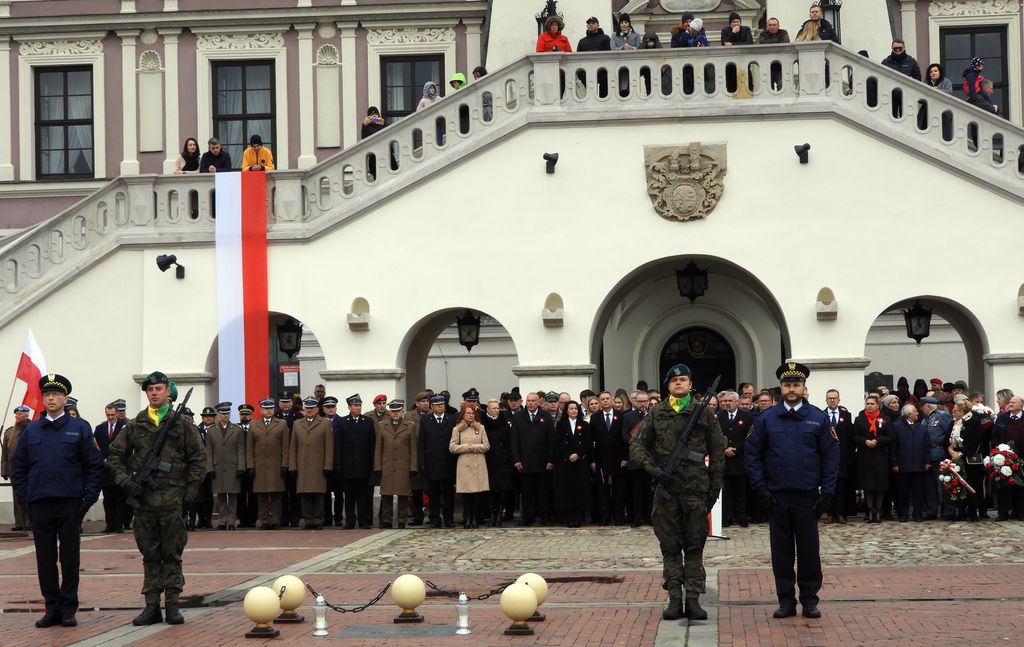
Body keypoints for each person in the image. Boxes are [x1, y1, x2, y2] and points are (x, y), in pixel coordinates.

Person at [107, 371, 206, 626]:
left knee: (172, 552)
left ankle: (172, 604)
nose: (154, 393)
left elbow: (198, 459)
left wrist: (190, 494)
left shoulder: (181, 423)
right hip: (144, 502)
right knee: (149, 554)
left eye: (159, 388)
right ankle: (152, 606)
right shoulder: (136, 424)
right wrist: (125, 481)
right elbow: (115, 455)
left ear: (167, 392)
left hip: (172, 500)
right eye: (150, 390)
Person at [630, 364, 725, 621]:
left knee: (695, 547)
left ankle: (693, 599)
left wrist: (714, 487)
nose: (679, 384)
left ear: (690, 384)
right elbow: (636, 444)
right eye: (674, 381)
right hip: (666, 492)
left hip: (696, 491)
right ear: (668, 386)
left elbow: (718, 451)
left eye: (684, 380)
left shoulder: (703, 413)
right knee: (670, 547)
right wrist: (654, 470)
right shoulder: (656, 412)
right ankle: (674, 598)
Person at [745, 362, 838, 620]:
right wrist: (760, 488)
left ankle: (809, 600)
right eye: (787, 385)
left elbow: (830, 457)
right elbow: (752, 455)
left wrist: (827, 492)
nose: (792, 389)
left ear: (804, 388)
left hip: (807, 496)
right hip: (777, 496)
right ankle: (785, 600)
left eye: (796, 385)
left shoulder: (818, 418)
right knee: (782, 552)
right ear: (781, 389)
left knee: (809, 552)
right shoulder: (766, 419)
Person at [11, 375, 102, 628]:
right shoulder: (32, 430)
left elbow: (94, 466)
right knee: (45, 557)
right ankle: (51, 607)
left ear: (65, 399)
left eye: (56, 395)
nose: (50, 399)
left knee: (70, 557)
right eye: (47, 395)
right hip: (40, 502)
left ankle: (69, 607)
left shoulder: (79, 428)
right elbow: (19, 467)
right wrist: (25, 497)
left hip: (70, 502)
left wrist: (88, 497)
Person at [288, 397, 334, 529]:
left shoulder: (325, 423)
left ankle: (318, 520)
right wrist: (292, 466)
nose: (309, 410)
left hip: (318, 465)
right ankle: (308, 520)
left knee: (318, 494)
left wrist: (327, 465)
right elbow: (293, 447)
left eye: (312, 408)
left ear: (317, 409)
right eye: (307, 408)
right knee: (304, 493)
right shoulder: (297, 424)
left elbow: (329, 447)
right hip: (302, 465)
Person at [510, 391, 554, 526]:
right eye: (528, 401)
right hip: (525, 462)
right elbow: (514, 440)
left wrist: (550, 460)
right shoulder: (518, 417)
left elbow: (551, 441)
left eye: (533, 401)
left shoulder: (546, 416)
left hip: (542, 462)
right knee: (527, 492)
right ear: (525, 402)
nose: (531, 403)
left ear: (538, 402)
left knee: (543, 492)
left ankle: (544, 516)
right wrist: (516, 459)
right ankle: (528, 516)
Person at [245, 398, 289, 530]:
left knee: (276, 495)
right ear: (261, 410)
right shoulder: (253, 425)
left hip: (276, 464)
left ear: (274, 409)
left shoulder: (281, 424)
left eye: (270, 408)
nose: (269, 411)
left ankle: (275, 520)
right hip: (260, 465)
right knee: (262, 495)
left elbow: (285, 447)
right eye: (266, 408)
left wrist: (285, 464)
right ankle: (264, 520)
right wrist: (250, 465)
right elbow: (249, 448)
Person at [373, 400, 418, 528]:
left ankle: (402, 520)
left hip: (403, 466)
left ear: (402, 412)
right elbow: (378, 449)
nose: (395, 413)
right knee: (386, 494)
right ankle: (387, 519)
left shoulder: (410, 426)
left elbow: (413, 449)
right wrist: (377, 467)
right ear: (390, 412)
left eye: (398, 411)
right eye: (393, 411)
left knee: (403, 494)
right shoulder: (382, 426)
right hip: (387, 465)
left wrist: (413, 467)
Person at [335, 394, 376, 529]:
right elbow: (338, 444)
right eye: (355, 405)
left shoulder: (368, 422)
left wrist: (372, 465)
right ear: (349, 407)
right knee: (350, 496)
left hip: (363, 465)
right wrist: (338, 463)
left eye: (359, 405)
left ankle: (363, 520)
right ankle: (350, 521)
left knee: (363, 496)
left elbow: (372, 445)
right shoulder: (342, 422)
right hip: (348, 466)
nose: (358, 408)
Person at [552, 401, 594, 528]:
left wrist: (578, 454)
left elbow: (588, 443)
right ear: (566, 411)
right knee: (567, 489)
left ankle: (579, 517)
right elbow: (557, 443)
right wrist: (568, 454)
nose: (574, 411)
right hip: (565, 462)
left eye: (576, 408)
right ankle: (569, 517)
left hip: (580, 462)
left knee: (580, 488)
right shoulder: (560, 425)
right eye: (571, 409)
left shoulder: (585, 425)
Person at [853, 396, 893, 523]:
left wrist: (878, 440)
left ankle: (878, 511)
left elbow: (891, 436)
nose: (869, 406)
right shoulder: (859, 419)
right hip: (865, 455)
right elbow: (854, 436)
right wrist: (865, 441)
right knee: (868, 484)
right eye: (867, 404)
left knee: (880, 485)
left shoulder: (885, 419)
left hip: (880, 455)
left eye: (872, 404)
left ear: (877, 405)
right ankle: (869, 511)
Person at [449, 404, 490, 529]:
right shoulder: (457, 429)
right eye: (468, 413)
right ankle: (467, 518)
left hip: (478, 463)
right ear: (463, 415)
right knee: (466, 495)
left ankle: (475, 519)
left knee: (477, 495)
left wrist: (474, 447)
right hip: (464, 465)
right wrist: (467, 447)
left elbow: (486, 446)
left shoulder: (481, 428)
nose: (470, 415)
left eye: (472, 413)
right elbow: (452, 447)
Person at [420, 395, 458, 528]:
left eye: (442, 404)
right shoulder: (425, 420)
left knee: (449, 493)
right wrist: (422, 463)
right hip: (432, 462)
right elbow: (422, 443)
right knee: (433, 493)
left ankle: (449, 518)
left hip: (448, 462)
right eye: (437, 405)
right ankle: (435, 518)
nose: (440, 406)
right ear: (431, 406)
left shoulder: (452, 419)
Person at [591, 391, 628, 525]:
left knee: (619, 489)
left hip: (618, 459)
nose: (605, 401)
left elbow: (625, 439)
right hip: (601, 459)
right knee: (603, 490)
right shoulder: (595, 418)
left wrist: (625, 457)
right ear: (599, 402)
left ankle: (618, 516)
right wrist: (593, 460)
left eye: (607, 398)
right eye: (603, 399)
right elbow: (592, 440)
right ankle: (604, 516)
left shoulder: (621, 416)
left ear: (612, 400)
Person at [206, 402, 244, 531]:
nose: (225, 415)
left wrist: (241, 467)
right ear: (218, 415)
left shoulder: (237, 429)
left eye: (227, 413)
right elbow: (209, 451)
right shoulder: (211, 431)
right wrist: (209, 467)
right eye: (223, 413)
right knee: (221, 495)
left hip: (233, 466)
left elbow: (241, 450)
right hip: (218, 467)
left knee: (232, 495)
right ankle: (222, 521)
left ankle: (232, 521)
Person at [947, 399, 986, 521]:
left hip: (970, 458)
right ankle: (961, 511)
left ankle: (973, 511)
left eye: (955, 410)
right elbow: (946, 440)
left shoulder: (974, 422)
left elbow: (976, 440)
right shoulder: (953, 423)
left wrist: (962, 453)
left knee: (972, 485)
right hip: (955, 458)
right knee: (958, 484)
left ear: (963, 411)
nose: (953, 412)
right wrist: (951, 452)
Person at [718, 390, 752, 528]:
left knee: (741, 491)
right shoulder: (717, 417)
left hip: (740, 460)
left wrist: (737, 449)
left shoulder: (747, 417)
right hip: (724, 459)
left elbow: (750, 437)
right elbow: (714, 436)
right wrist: (724, 449)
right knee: (726, 491)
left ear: (737, 402)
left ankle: (741, 516)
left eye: (729, 401)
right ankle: (727, 516)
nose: (726, 403)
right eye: (724, 401)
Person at [891, 404, 929, 522]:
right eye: (915, 412)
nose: (918, 413)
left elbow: (926, 445)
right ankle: (903, 514)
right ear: (909, 414)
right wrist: (894, 463)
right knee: (903, 492)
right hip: (903, 465)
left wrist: (927, 461)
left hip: (918, 465)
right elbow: (893, 447)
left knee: (918, 492)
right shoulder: (896, 426)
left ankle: (917, 513)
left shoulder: (921, 427)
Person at [95, 403, 127, 533]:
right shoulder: (100, 428)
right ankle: (110, 524)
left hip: (119, 467)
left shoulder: (124, 427)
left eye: (112, 415)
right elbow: (96, 446)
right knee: (107, 500)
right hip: (105, 469)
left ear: (117, 413)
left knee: (119, 498)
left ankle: (119, 524)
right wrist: (101, 458)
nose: (110, 417)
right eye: (108, 415)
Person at [822, 390, 853, 524]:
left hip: (842, 457)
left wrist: (850, 456)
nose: (832, 400)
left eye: (834, 398)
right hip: (827, 457)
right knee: (828, 486)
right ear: (826, 400)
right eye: (830, 398)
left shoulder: (846, 415)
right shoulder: (821, 415)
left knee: (841, 487)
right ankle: (829, 513)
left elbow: (850, 437)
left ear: (839, 400)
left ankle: (840, 513)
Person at [920, 396, 954, 520]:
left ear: (928, 406)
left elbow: (950, 433)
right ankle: (931, 510)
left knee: (943, 483)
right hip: (927, 455)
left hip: (939, 454)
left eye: (922, 406)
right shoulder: (924, 420)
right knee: (930, 485)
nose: (921, 409)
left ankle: (948, 510)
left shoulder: (942, 416)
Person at [991, 395, 1024, 520]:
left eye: (1014, 402)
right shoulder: (1002, 418)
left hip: (1021, 458)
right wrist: (998, 451)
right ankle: (1003, 513)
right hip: (1004, 458)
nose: (1010, 404)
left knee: (1020, 487)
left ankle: (1020, 512)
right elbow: (994, 436)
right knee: (1003, 486)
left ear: (1021, 405)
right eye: (1010, 402)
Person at [482, 398, 513, 526]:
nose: (496, 410)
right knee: (490, 489)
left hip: (502, 460)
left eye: (497, 408)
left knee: (502, 489)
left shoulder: (504, 422)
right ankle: (492, 514)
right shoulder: (483, 423)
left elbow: (509, 442)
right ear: (488, 410)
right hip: (488, 460)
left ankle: (499, 514)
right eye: (493, 408)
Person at [622, 390, 651, 527]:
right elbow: (624, 435)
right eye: (640, 401)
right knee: (636, 490)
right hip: (635, 459)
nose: (642, 404)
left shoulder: (653, 415)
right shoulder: (628, 416)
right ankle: (637, 517)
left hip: (651, 458)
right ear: (635, 402)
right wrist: (636, 444)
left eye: (645, 401)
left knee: (649, 490)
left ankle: (650, 517)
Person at [2, 405, 33, 531]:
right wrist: (4, 470)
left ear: (27, 415)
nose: (18, 416)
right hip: (14, 470)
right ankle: (20, 523)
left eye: (20, 414)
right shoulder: (10, 432)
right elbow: (4, 454)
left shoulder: (34, 429)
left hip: (31, 469)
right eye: (16, 414)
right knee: (17, 497)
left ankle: (31, 522)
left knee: (31, 496)